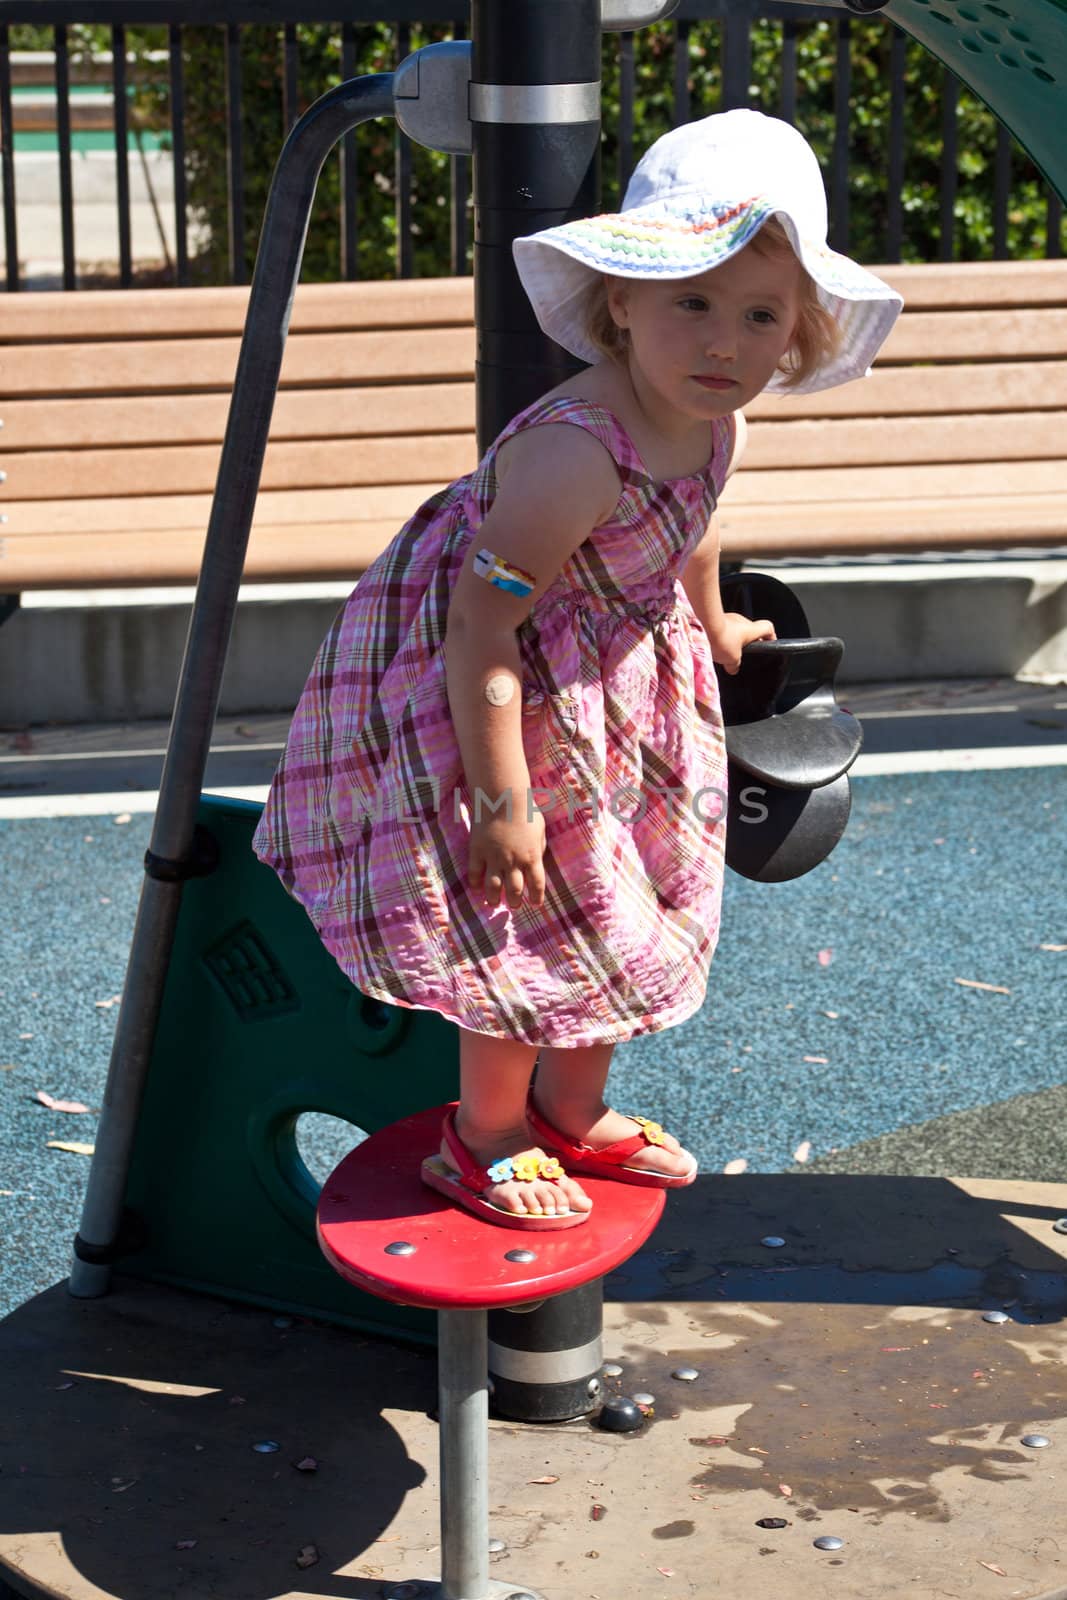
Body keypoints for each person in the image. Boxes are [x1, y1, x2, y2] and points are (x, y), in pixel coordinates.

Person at [253, 109, 902, 1231]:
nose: (721, 343)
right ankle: (485, 1131)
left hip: (615, 683)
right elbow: (478, 629)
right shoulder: (571, 456)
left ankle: (571, 1105)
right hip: (508, 695)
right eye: (689, 302)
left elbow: (697, 524)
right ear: (621, 301)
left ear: (792, 333)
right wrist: (500, 803)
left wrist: (707, 625)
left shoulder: (711, 422)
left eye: (757, 315)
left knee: (623, 891)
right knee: (516, 911)